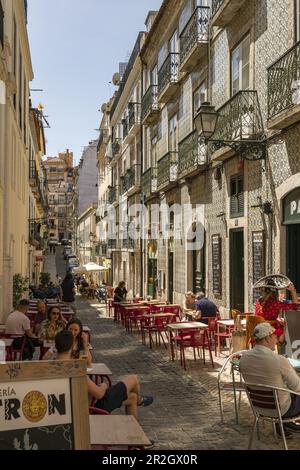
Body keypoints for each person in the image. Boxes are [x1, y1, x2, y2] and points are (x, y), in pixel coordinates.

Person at [54, 330, 154, 419]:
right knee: (133, 379)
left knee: (132, 397)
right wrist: (104, 385)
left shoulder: (49, 366)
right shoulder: (74, 369)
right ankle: (140, 400)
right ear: (72, 346)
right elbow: (99, 394)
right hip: (90, 409)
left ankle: (136, 436)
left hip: (68, 411)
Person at [239, 322, 300, 434]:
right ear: (267, 338)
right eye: (275, 336)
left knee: (279, 387)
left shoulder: (243, 359)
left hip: (259, 408)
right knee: (291, 389)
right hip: (282, 410)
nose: (277, 340)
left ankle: (284, 425)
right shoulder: (279, 360)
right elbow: (297, 387)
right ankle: (286, 422)